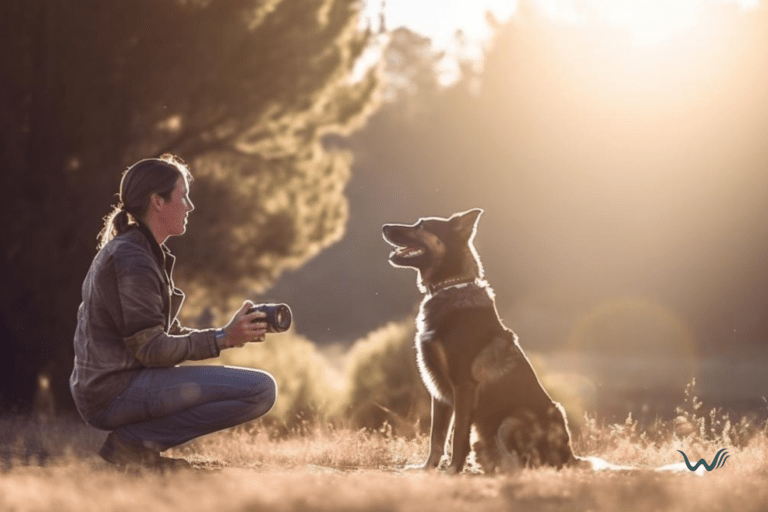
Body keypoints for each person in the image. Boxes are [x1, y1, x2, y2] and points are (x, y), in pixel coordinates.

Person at [70, 155, 277, 470]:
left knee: (259, 388)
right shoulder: (132, 258)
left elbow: (161, 336)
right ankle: (132, 444)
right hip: (113, 392)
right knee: (260, 390)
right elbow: (152, 349)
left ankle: (134, 444)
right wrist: (222, 338)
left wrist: (230, 334)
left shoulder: (144, 253)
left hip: (118, 386)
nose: (190, 206)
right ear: (157, 201)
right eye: (183, 196)